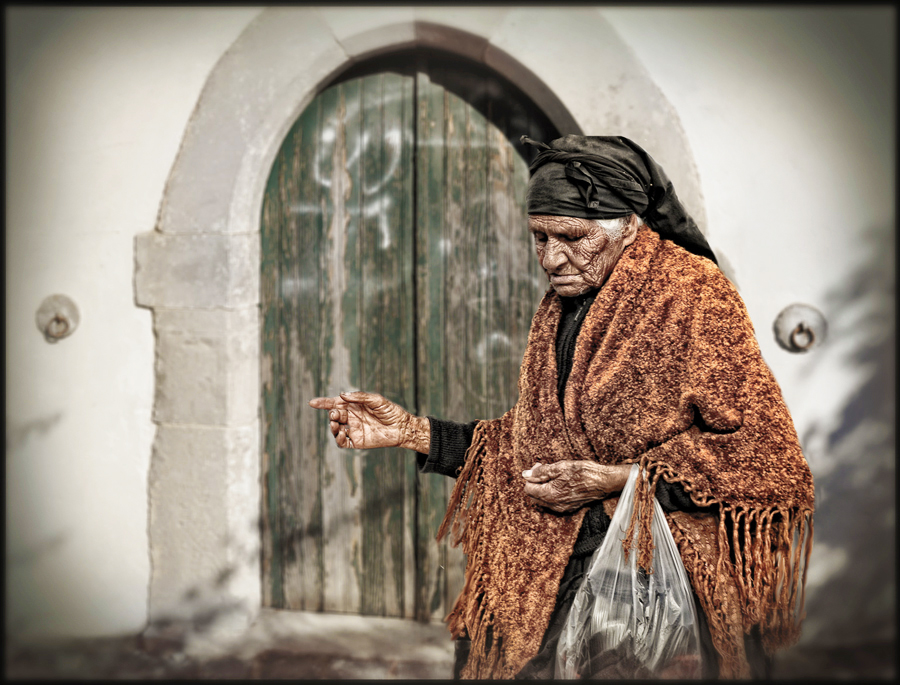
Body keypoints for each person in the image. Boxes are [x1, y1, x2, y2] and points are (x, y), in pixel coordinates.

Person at [310, 135, 815, 680]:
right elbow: (535, 442)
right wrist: (410, 431)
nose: (551, 258)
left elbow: (761, 451)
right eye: (539, 237)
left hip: (659, 587)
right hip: (554, 569)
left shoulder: (693, 296)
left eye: (571, 236)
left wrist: (616, 479)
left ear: (628, 225)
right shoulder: (565, 305)